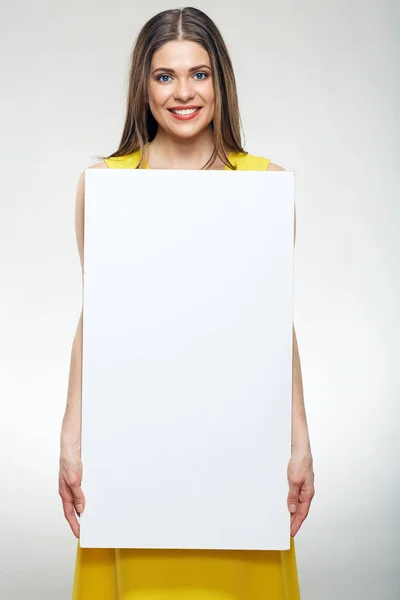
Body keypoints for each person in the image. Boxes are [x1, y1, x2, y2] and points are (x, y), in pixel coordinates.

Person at [59, 6, 315, 599]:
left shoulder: (266, 183)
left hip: (238, 445)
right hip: (136, 444)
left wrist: (299, 438)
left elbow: (276, 322)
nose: (183, 93)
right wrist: (71, 434)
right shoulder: (104, 183)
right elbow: (95, 314)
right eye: (165, 75)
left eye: (199, 74)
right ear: (143, 86)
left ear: (220, 83)